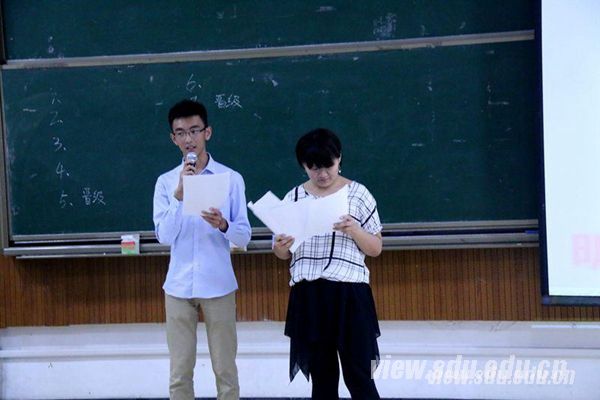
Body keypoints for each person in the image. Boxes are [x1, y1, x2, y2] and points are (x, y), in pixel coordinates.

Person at [273, 128, 383, 400]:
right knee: (322, 381)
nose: (322, 174)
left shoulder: (358, 194)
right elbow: (282, 254)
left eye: (328, 166)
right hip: (309, 295)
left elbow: (376, 248)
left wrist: (354, 230)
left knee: (360, 377)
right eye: (314, 168)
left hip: (349, 294)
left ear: (339, 158)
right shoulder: (293, 198)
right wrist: (281, 246)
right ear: (303, 166)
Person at [153, 99, 251, 400]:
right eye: (181, 133)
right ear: (173, 138)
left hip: (218, 284)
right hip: (178, 286)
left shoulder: (230, 179)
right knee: (179, 373)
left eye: (194, 130)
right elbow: (164, 236)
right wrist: (180, 196)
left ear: (207, 132)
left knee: (225, 371)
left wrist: (223, 224)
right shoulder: (166, 183)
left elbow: (244, 236)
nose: (188, 139)